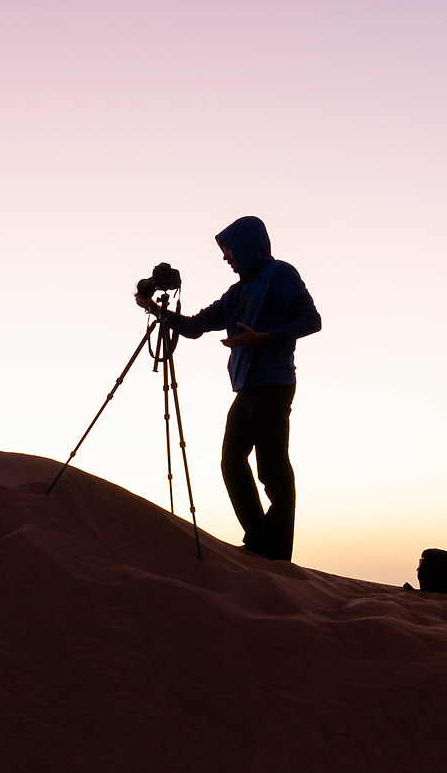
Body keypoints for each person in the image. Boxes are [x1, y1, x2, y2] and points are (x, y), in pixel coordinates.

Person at [134, 215, 322, 561]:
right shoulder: (236, 293)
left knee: (272, 469)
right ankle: (260, 541)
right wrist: (154, 309)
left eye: (230, 249)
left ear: (248, 245)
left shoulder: (279, 274)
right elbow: (195, 327)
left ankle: (276, 553)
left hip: (274, 383)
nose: (226, 257)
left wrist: (263, 338)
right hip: (247, 387)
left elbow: (311, 319)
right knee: (231, 462)